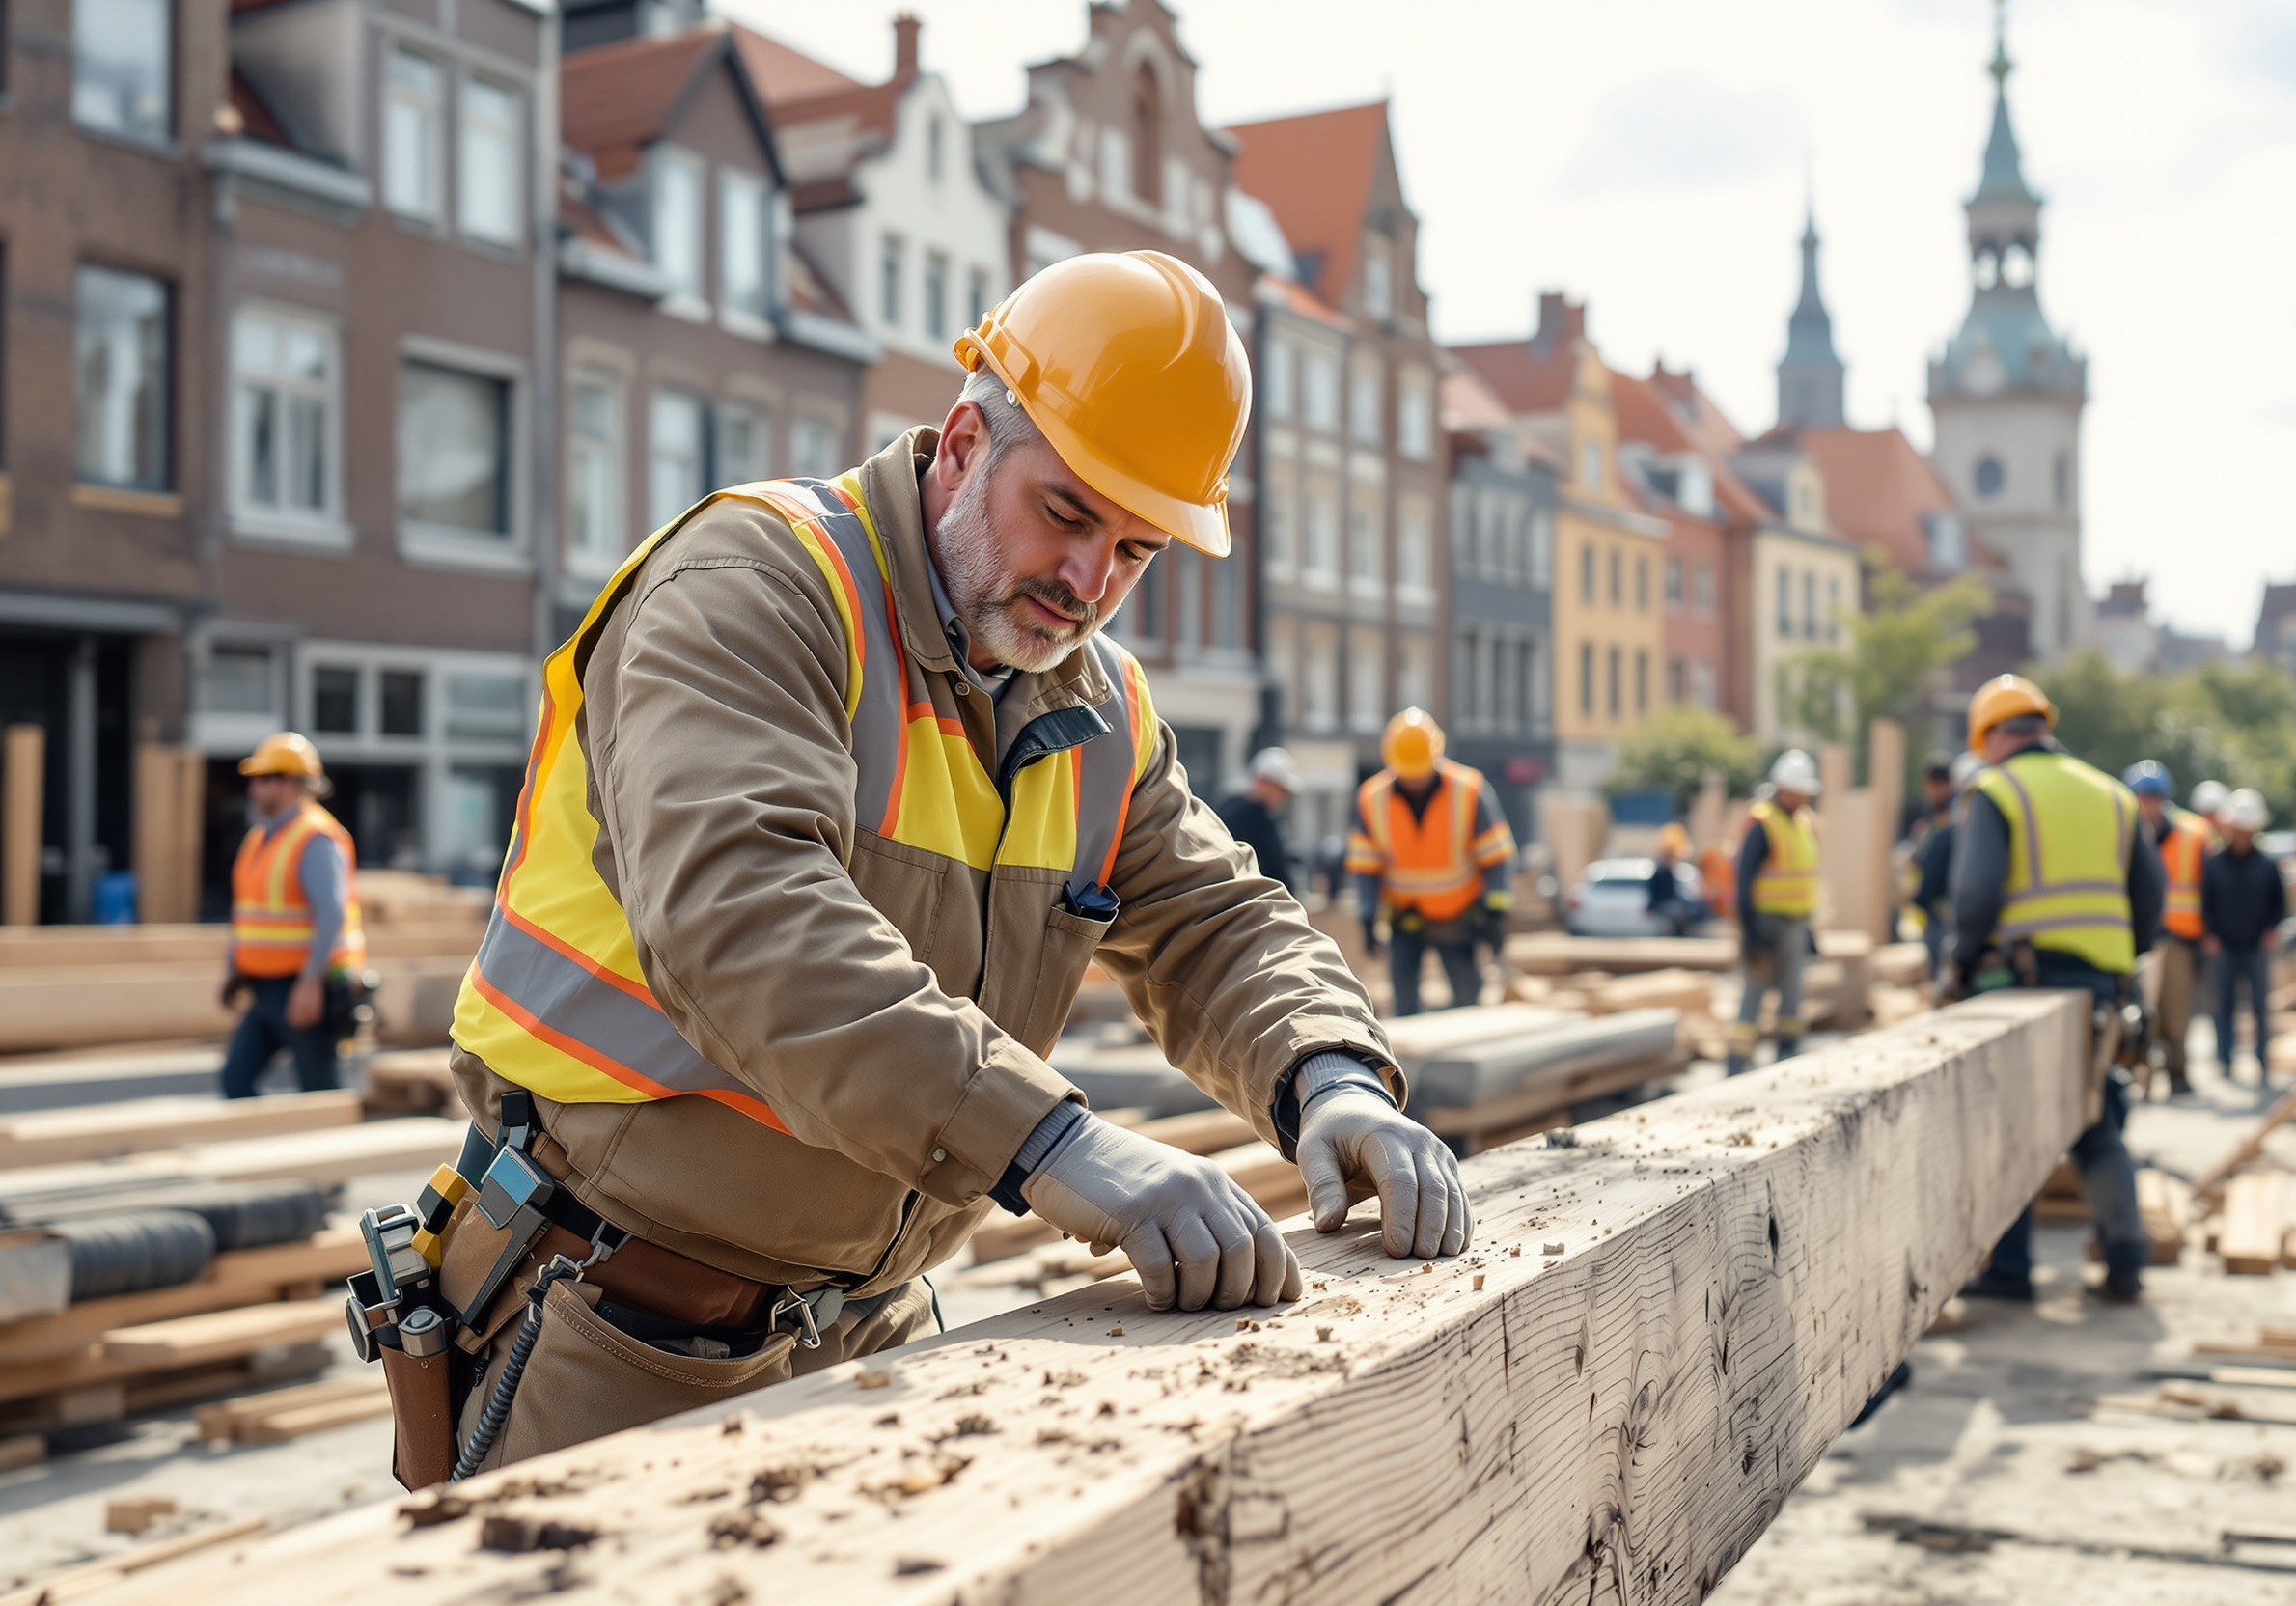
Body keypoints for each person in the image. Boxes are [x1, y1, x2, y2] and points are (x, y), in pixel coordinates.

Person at [422, 253, 1469, 1478]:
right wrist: (1052, 1142)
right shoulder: (756, 587)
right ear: (965, 442)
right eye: (1068, 513)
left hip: (870, 1325)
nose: (1088, 584)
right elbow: (745, 919)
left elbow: (1215, 917)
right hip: (616, 1318)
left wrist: (1329, 1074)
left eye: (1136, 549)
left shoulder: (1099, 707)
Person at [1948, 676, 2161, 1303]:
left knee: (2011, 1128)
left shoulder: (1997, 790)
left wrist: (1958, 966)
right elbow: (2149, 901)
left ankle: (2011, 1272)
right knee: (2097, 1123)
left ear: (1990, 736)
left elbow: (1975, 896)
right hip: (2099, 985)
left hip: (2021, 984)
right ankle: (2126, 1259)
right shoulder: (2113, 794)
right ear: (2042, 725)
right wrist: (2121, 960)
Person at [218, 734, 365, 1099]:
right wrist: (236, 964)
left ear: (292, 783)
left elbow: (330, 914)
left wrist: (310, 982)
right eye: (254, 779)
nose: (254, 788)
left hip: (304, 988)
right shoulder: (259, 837)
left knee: (320, 1092)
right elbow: (251, 912)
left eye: (264, 778)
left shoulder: (315, 837)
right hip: (265, 988)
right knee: (235, 1081)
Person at [1345, 707, 1517, 1017]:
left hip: (1457, 915)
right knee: (1405, 1004)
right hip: (1403, 915)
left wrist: (1495, 910)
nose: (1414, 779)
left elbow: (1497, 856)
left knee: (1467, 1001)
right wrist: (1367, 917)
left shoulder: (1469, 790)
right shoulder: (1372, 797)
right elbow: (1365, 866)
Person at [1728, 751, 1822, 1075]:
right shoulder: (1763, 823)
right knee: (1754, 994)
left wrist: (1810, 931)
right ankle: (1737, 1064)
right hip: (1765, 924)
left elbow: (1804, 880)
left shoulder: (1804, 822)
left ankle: (1788, 1056)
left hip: (1795, 923)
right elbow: (1743, 882)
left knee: (1793, 995)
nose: (1802, 796)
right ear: (1782, 788)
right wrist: (1750, 935)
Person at [2125, 759, 2204, 1098]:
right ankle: (2142, 1078)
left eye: (2153, 797)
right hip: (2136, 939)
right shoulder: (2124, 834)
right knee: (2145, 1013)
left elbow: (2207, 886)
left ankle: (2178, 1072)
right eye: (2141, 797)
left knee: (2176, 1010)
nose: (2147, 804)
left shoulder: (2190, 835)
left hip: (2177, 937)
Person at [2201, 788, 2283, 1094]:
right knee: (2223, 1004)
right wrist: (2210, 934)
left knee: (2260, 1005)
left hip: (2256, 946)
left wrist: (2271, 929)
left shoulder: (2267, 864)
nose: (2242, 836)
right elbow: (2205, 903)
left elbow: (2279, 903)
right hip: (2223, 945)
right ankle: (2224, 1059)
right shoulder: (2214, 864)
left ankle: (2262, 1058)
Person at [1908, 755, 1969, 965]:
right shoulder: (1931, 819)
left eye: (1935, 785)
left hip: (1949, 908)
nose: (1931, 791)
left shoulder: (1958, 817)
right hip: (1932, 907)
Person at [1215, 746, 1301, 890]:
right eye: (1278, 789)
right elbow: (1276, 868)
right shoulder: (1257, 818)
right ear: (1262, 781)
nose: (1281, 797)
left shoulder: (1228, 809)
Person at [1646, 823, 1703, 936]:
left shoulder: (1670, 872)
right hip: (1662, 906)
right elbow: (1654, 894)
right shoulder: (1660, 873)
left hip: (1669, 904)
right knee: (1677, 911)